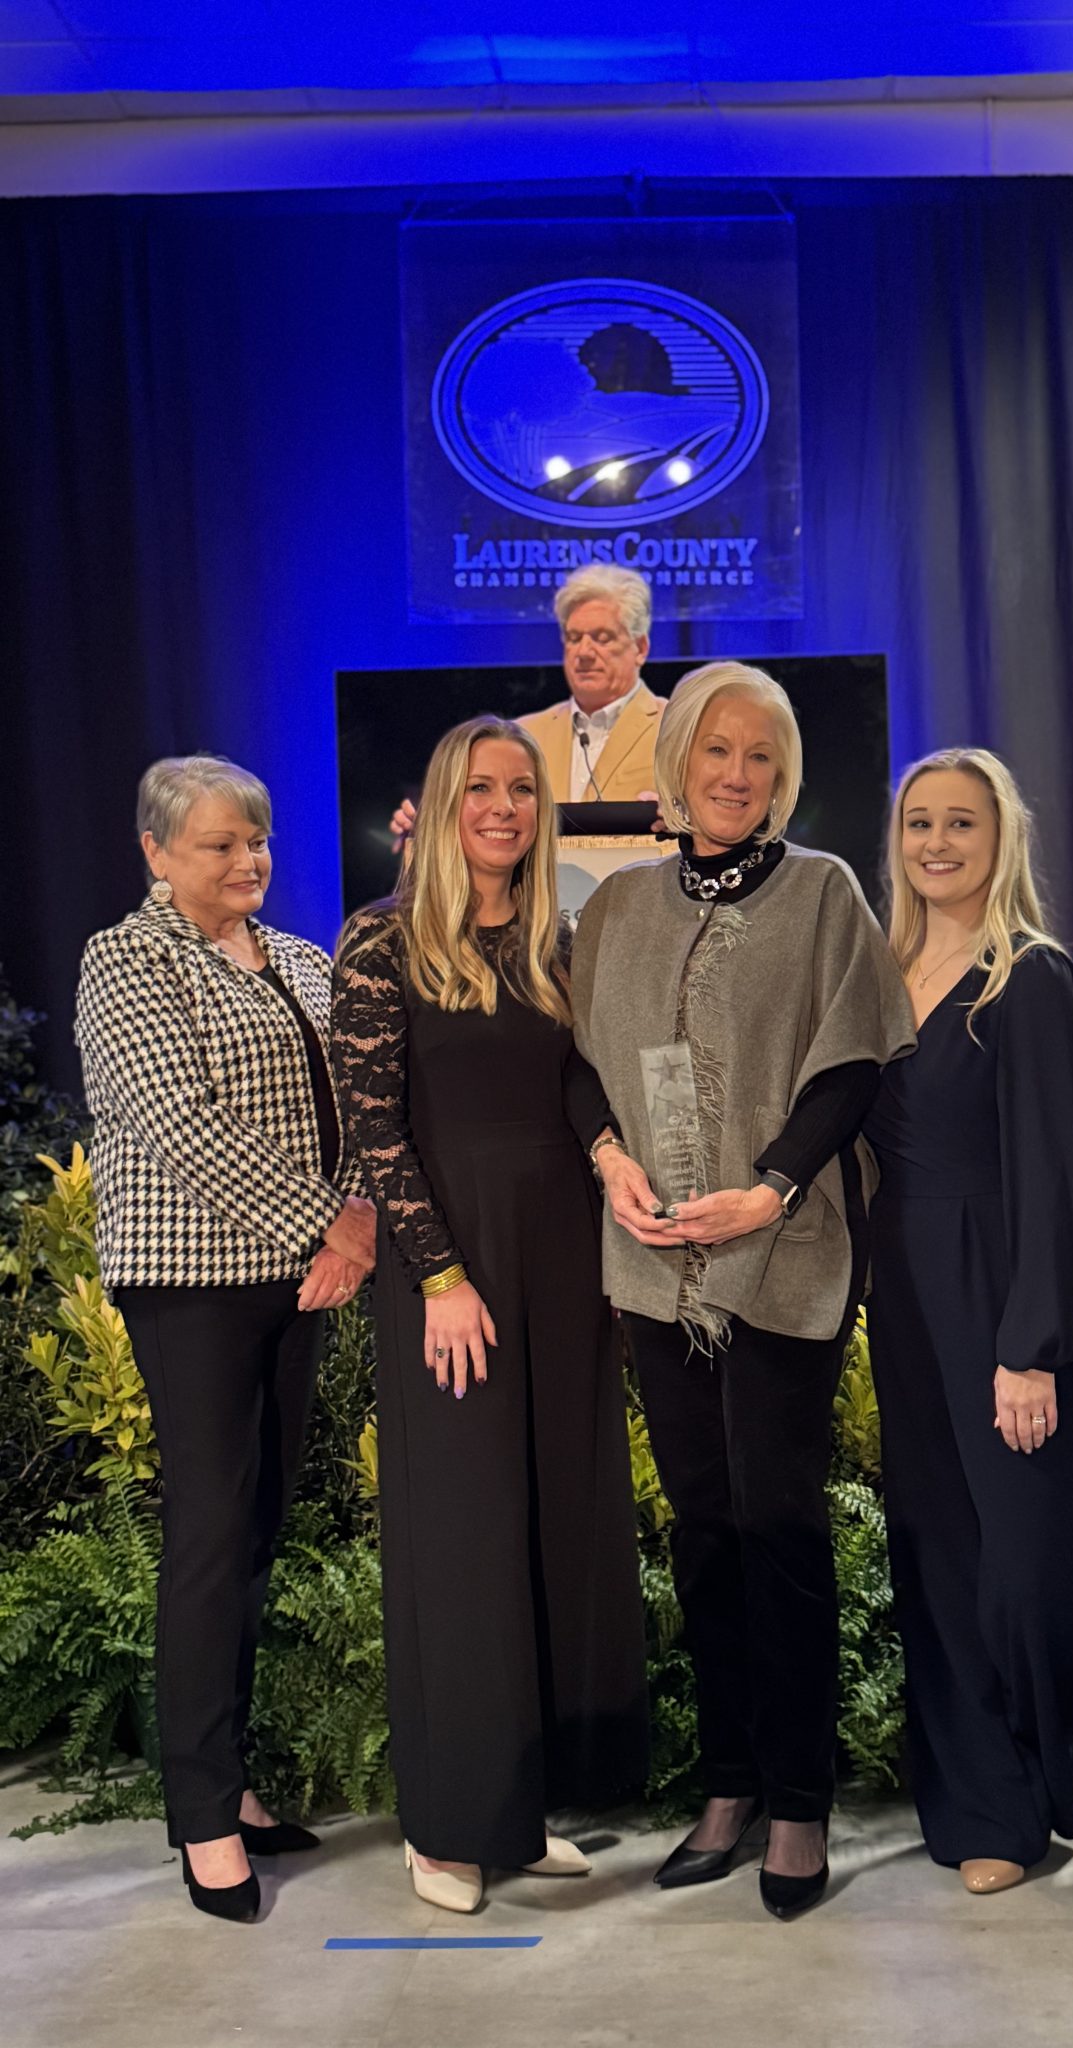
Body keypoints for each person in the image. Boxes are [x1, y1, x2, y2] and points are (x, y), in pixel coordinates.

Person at [570, 662, 915, 1920]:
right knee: (703, 1525)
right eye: (716, 750)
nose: (736, 773)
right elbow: (578, 1061)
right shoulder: (618, 905)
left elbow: (854, 1062)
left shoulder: (824, 893)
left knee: (779, 1523)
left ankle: (801, 1800)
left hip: (782, 1252)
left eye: (761, 755)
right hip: (655, 1263)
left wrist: (769, 1189)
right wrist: (609, 1159)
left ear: (785, 775)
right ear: (678, 763)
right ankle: (729, 1783)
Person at [333, 715, 647, 1915]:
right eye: (480, 787)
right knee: (463, 1537)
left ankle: (524, 1808)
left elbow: (575, 1078)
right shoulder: (380, 938)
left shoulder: (553, 939)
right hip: (453, 1262)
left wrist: (610, 1154)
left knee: (555, 1522)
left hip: (563, 1254)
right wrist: (438, 1275)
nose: (504, 806)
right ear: (441, 801)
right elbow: (373, 1123)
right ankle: (449, 1825)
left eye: (522, 786)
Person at [75, 755, 376, 1924]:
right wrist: (332, 1222)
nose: (248, 859)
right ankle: (201, 1814)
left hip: (298, 1278)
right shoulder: (126, 959)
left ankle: (232, 1779)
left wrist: (354, 1221)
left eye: (257, 839)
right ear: (156, 851)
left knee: (253, 1531)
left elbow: (361, 1099)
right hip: (191, 1281)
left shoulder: (299, 958)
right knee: (209, 1536)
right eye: (219, 844)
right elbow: (184, 1124)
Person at [864, 749, 1073, 1896]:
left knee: (1018, 1562)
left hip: (998, 1284)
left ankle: (1025, 1795)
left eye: (961, 821)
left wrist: (1030, 1346)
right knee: (935, 1552)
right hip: (902, 1290)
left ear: (1000, 835)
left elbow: (1055, 1171)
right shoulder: (878, 971)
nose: (938, 842)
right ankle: (968, 1804)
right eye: (920, 821)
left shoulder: (1032, 974)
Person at [390, 564, 661, 846]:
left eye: (602, 638)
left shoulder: (674, 731)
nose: (584, 652)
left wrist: (681, 819)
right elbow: (479, 820)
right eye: (574, 638)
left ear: (640, 648)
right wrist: (425, 828)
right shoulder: (520, 736)